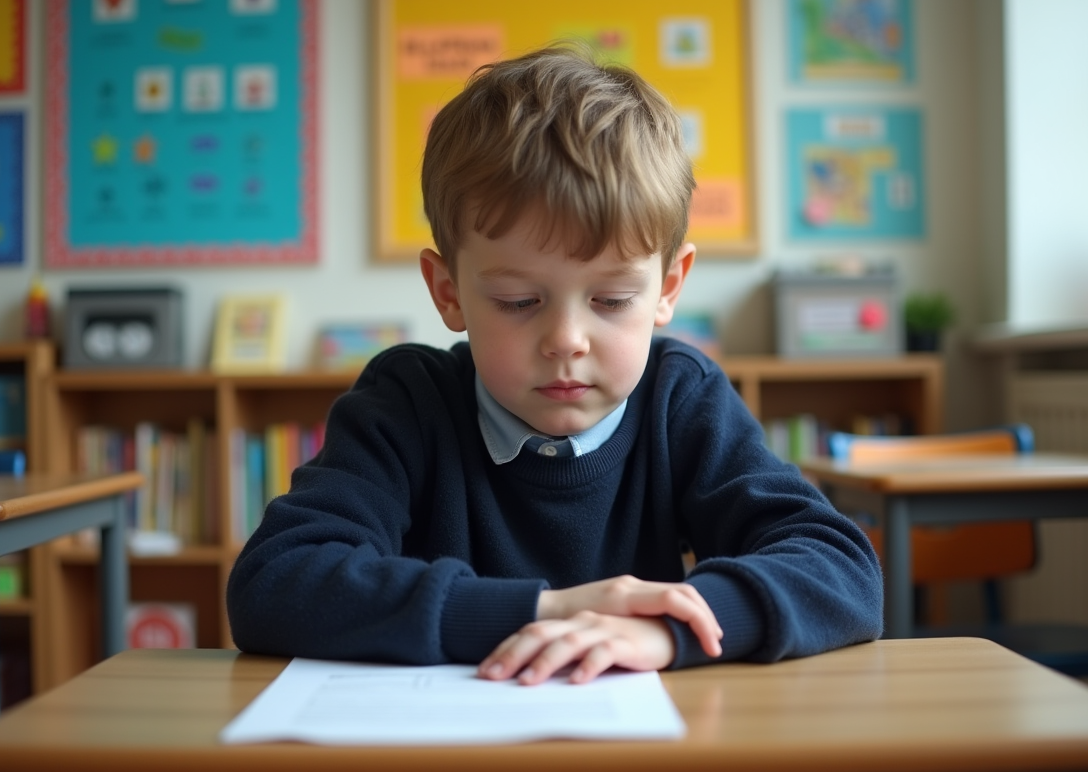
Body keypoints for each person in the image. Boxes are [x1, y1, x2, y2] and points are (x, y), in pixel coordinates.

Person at [226, 44, 882, 686]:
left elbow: (842, 569)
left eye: (611, 300)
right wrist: (546, 611)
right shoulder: (406, 404)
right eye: (518, 301)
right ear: (448, 292)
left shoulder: (680, 398)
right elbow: (275, 581)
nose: (566, 341)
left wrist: (668, 628)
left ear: (668, 289)